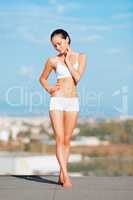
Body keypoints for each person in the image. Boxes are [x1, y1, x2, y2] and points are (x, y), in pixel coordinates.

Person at [39, 29, 87, 188]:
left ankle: (62, 172)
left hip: (73, 101)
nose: (57, 47)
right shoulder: (52, 60)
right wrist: (50, 89)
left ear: (67, 39)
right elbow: (42, 78)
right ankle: (66, 176)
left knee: (67, 140)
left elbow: (77, 78)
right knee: (60, 139)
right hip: (57, 101)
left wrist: (67, 61)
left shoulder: (81, 57)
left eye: (59, 43)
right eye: (54, 45)